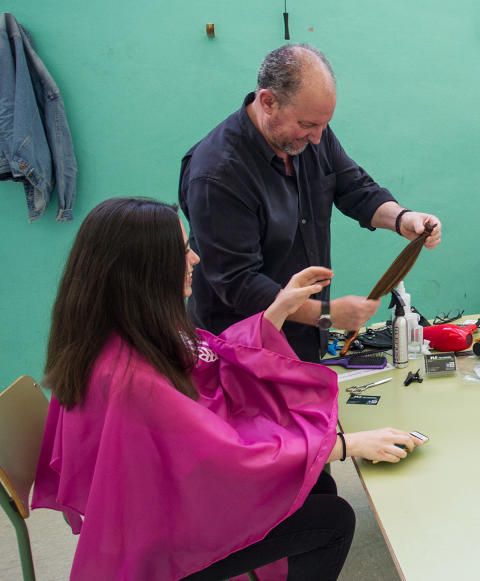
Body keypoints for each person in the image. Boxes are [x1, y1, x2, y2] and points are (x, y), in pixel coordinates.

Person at [32, 197, 424, 579]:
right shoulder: (129, 378)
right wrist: (345, 445)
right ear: (144, 270)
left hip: (161, 502)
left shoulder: (122, 331)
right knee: (332, 520)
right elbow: (223, 458)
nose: (195, 259)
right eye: (183, 250)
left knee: (315, 484)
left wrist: (279, 309)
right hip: (162, 539)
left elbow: (213, 363)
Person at [180, 44, 442, 363]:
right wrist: (327, 315)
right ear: (268, 101)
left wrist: (404, 219)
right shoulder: (217, 175)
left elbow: (355, 187)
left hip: (304, 342)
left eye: (324, 125)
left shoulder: (310, 134)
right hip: (239, 353)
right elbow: (239, 284)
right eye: (307, 125)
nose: (318, 137)